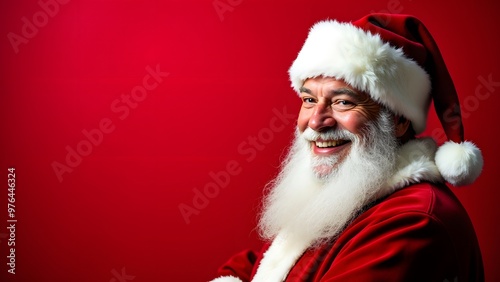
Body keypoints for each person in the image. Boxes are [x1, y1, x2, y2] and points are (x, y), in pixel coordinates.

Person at [210, 13, 484, 282]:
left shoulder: (412, 223)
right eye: (308, 100)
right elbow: (265, 263)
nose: (316, 121)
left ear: (399, 120)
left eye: (342, 102)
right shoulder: (353, 191)